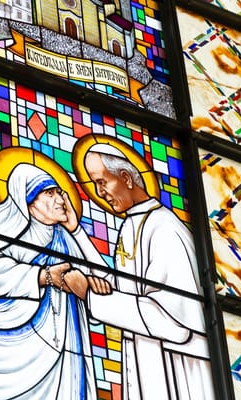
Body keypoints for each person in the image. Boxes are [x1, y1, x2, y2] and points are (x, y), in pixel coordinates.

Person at [81, 143, 215, 400]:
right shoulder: (132, 224)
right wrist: (77, 233)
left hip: (179, 371)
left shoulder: (165, 229)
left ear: (125, 178)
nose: (99, 193)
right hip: (148, 362)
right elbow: (121, 289)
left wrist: (91, 297)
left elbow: (172, 322)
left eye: (102, 182)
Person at [0, 162, 110, 400]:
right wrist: (43, 276)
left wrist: (76, 230)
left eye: (59, 192)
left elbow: (108, 282)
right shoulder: (5, 229)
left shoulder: (67, 240)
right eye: (49, 193)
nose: (61, 199)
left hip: (67, 350)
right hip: (17, 349)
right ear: (28, 199)